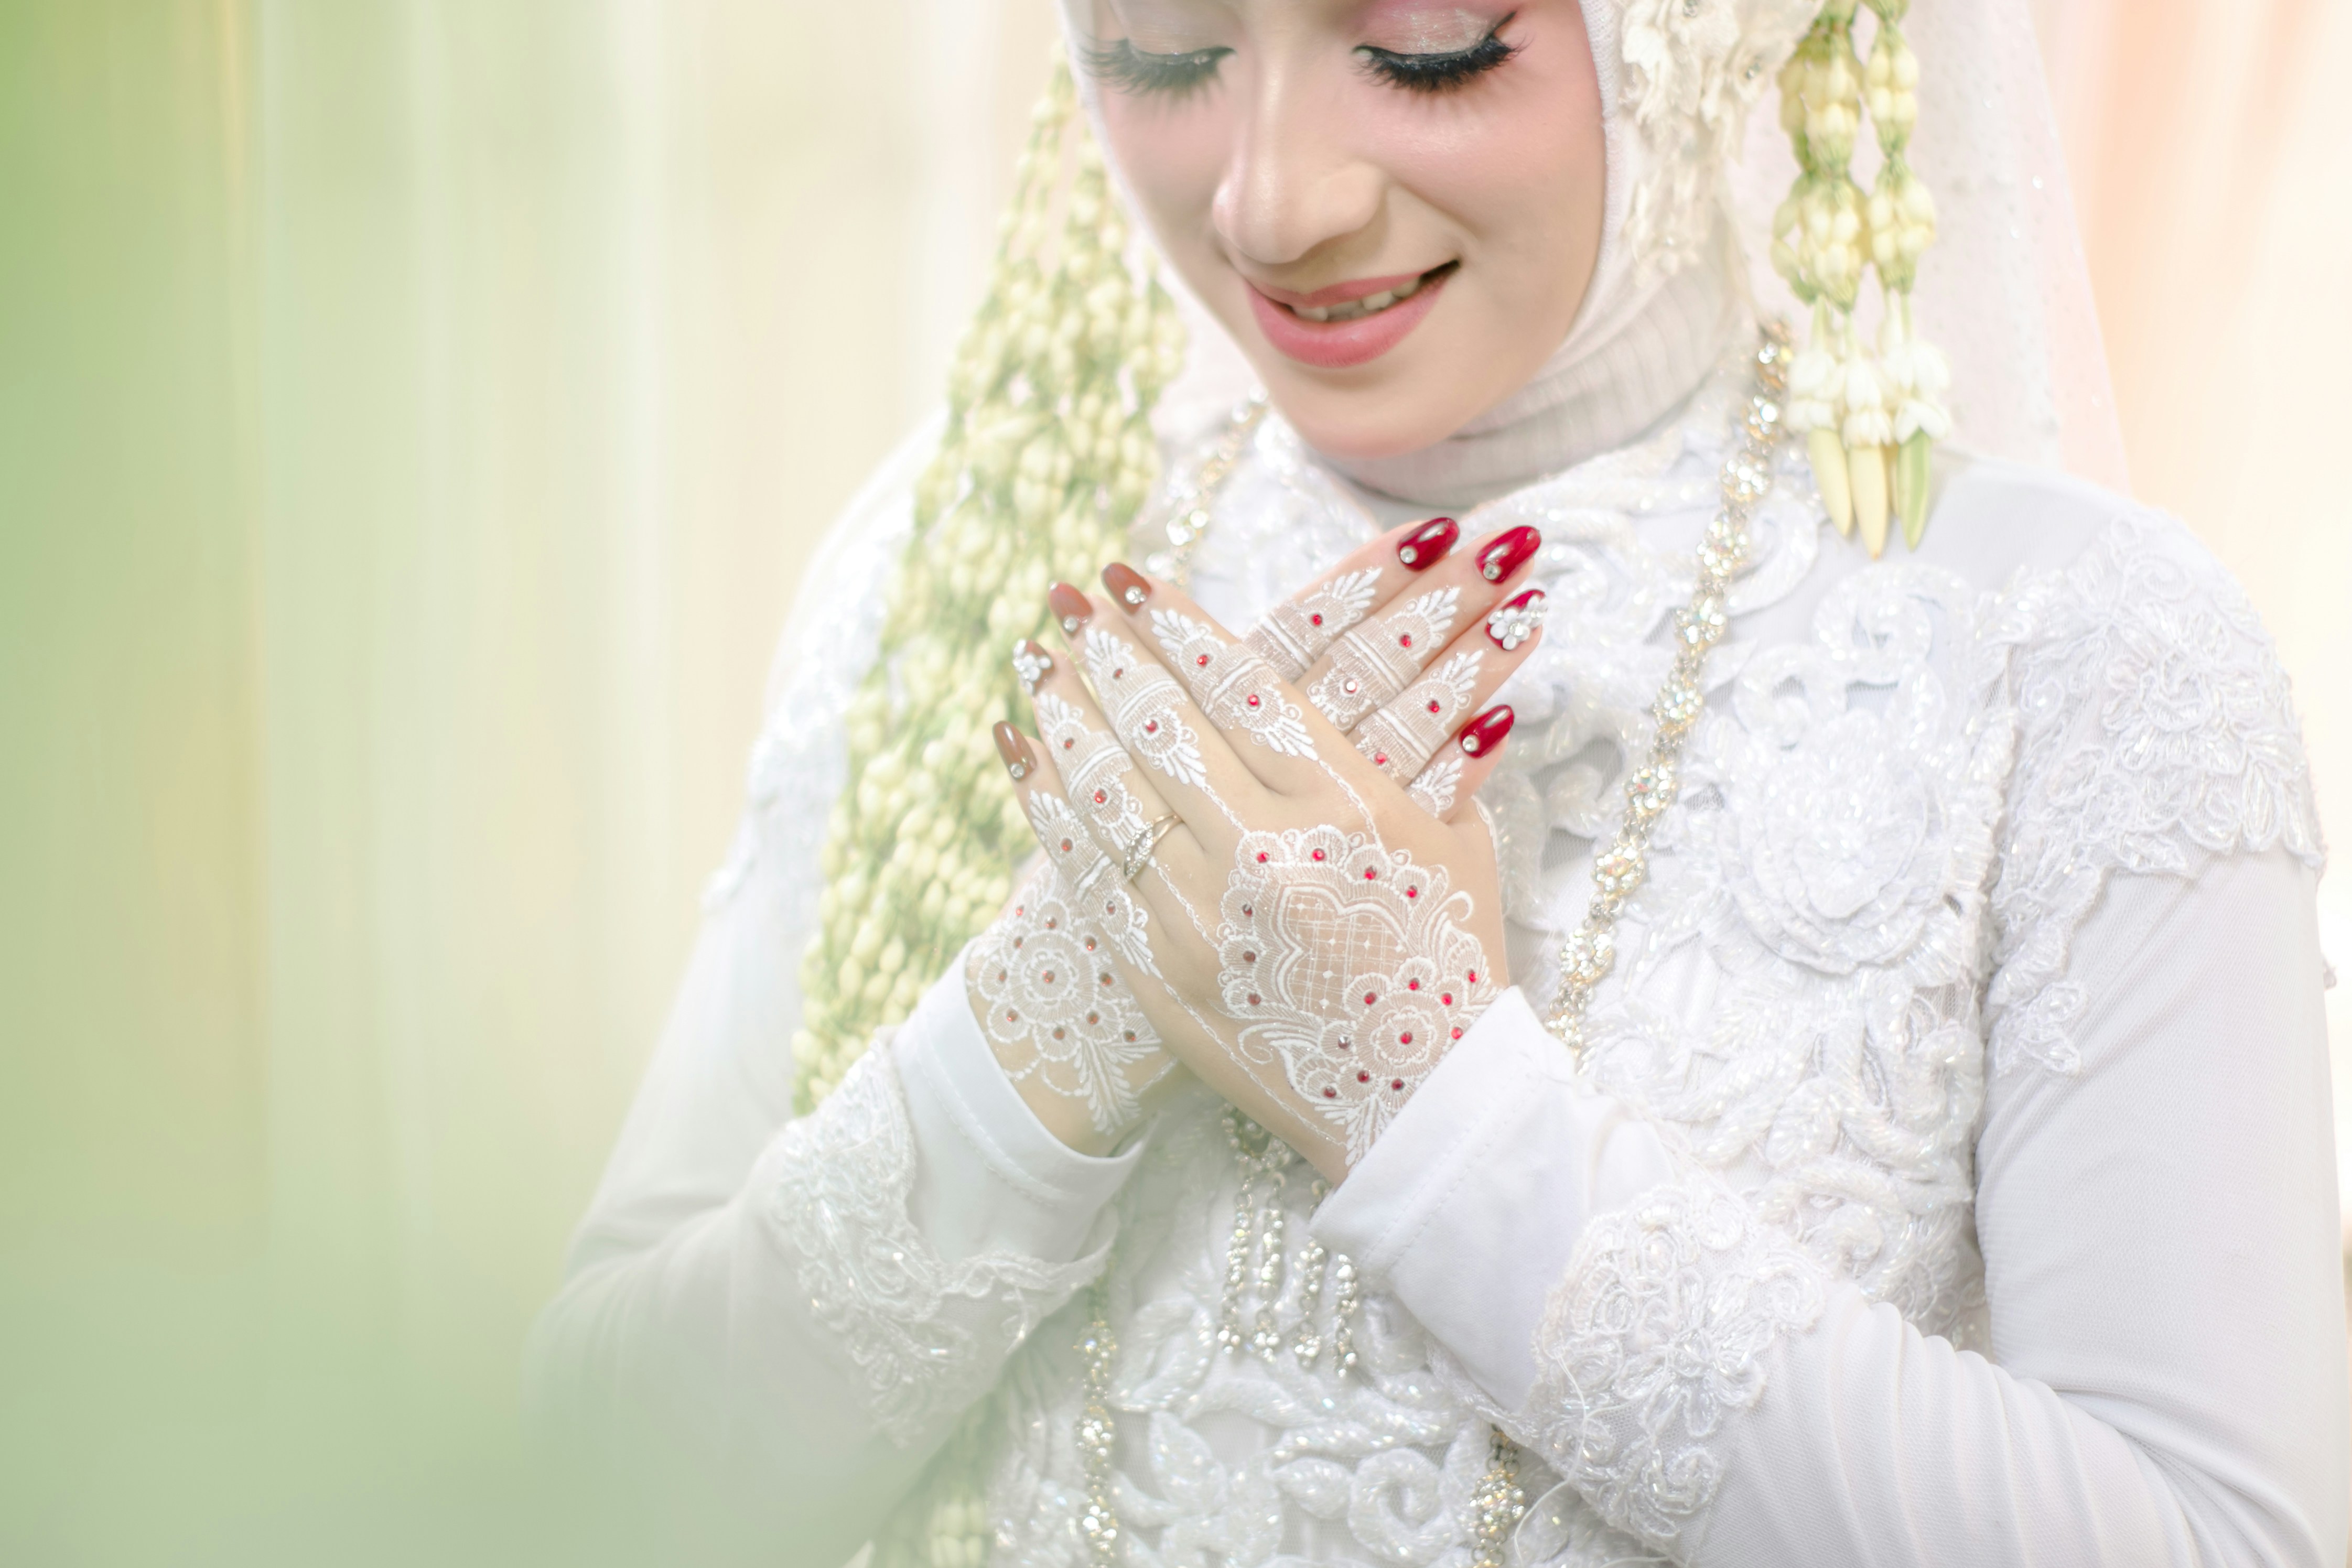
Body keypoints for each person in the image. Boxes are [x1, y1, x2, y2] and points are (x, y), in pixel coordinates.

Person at [527, 1, 2347, 1563]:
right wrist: (1035, 1040)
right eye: (1161, 51)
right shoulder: (976, 546)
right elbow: (581, 1500)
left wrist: (1436, 1104)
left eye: (1425, 51)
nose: (1271, 199)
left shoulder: (2067, 651)